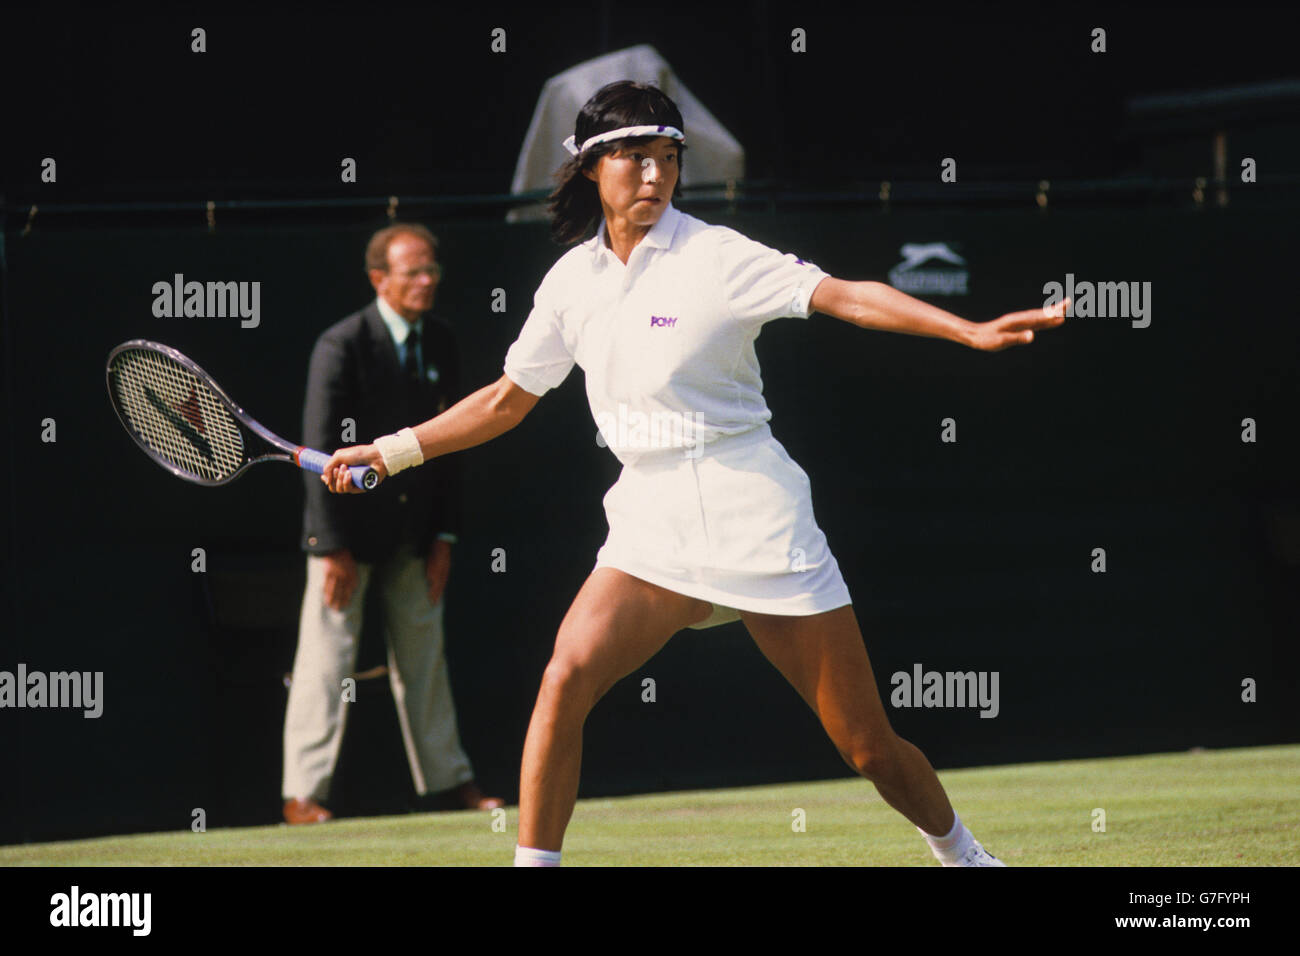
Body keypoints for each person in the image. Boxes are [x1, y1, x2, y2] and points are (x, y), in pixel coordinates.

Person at [319, 82, 1065, 863]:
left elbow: (844, 297)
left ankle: (965, 857)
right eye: (636, 158)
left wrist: (968, 330)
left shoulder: (718, 256)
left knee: (867, 746)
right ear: (590, 168)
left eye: (668, 159)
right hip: (649, 518)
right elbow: (507, 401)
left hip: (754, 506)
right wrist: (392, 449)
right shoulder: (571, 282)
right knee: (564, 681)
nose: (655, 175)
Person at [282, 223, 503, 825]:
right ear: (380, 278)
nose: (427, 281)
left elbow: (453, 445)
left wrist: (445, 538)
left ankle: (449, 783)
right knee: (325, 659)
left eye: (432, 270)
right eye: (413, 272)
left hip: (416, 536)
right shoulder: (342, 344)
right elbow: (321, 451)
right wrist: (329, 547)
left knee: (425, 659)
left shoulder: (443, 342)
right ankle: (303, 795)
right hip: (345, 540)